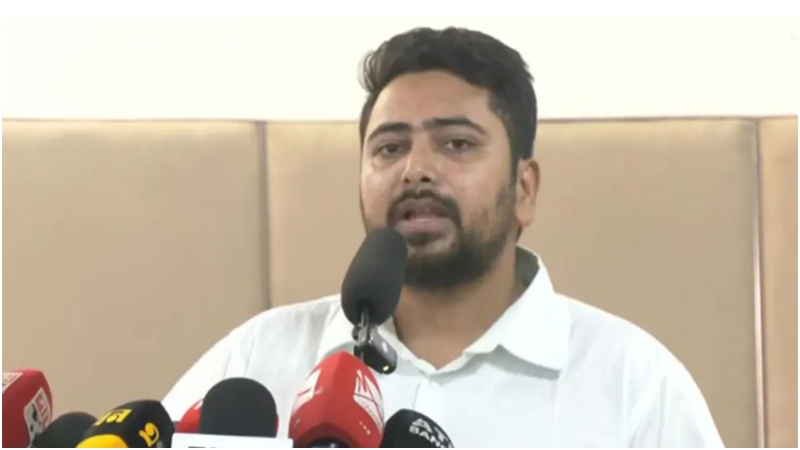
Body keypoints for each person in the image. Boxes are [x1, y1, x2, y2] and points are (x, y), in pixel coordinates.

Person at [162, 27, 724, 447]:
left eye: (456, 144)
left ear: (524, 188)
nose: (416, 170)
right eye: (390, 148)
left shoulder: (635, 388)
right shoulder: (257, 359)